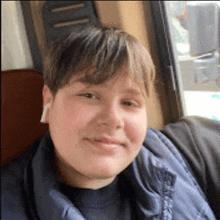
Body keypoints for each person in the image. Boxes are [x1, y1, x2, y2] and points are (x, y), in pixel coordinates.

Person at [1, 25, 220, 220]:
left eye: (129, 102)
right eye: (89, 95)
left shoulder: (189, 150)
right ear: (49, 101)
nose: (113, 120)